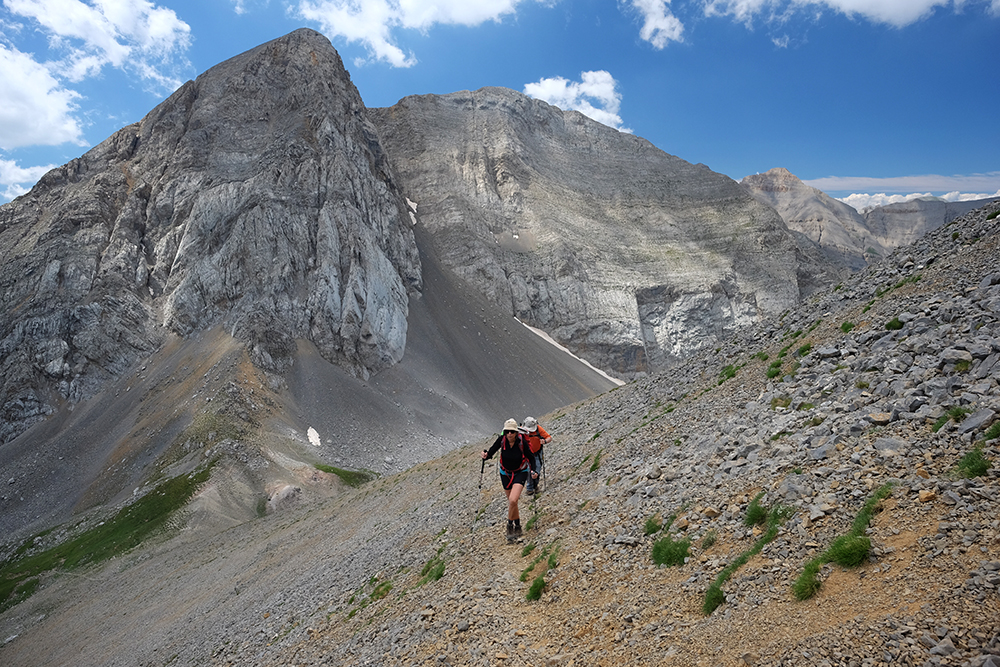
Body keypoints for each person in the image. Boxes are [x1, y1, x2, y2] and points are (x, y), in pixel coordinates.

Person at [482, 418, 538, 542]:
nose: (509, 434)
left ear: (516, 432)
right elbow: (491, 453)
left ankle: (509, 527)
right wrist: (485, 455)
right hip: (505, 473)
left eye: (512, 432)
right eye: (507, 431)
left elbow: (531, 457)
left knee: (513, 500)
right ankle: (518, 526)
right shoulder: (501, 440)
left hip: (521, 472)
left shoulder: (522, 441)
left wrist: (534, 471)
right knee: (513, 502)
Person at [521, 417, 551, 496]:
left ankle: (534, 486)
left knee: (537, 470)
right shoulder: (521, 430)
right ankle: (530, 488)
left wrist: (544, 441)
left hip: (536, 453)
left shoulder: (538, 429)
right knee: (529, 471)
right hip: (526, 454)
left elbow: (549, 438)